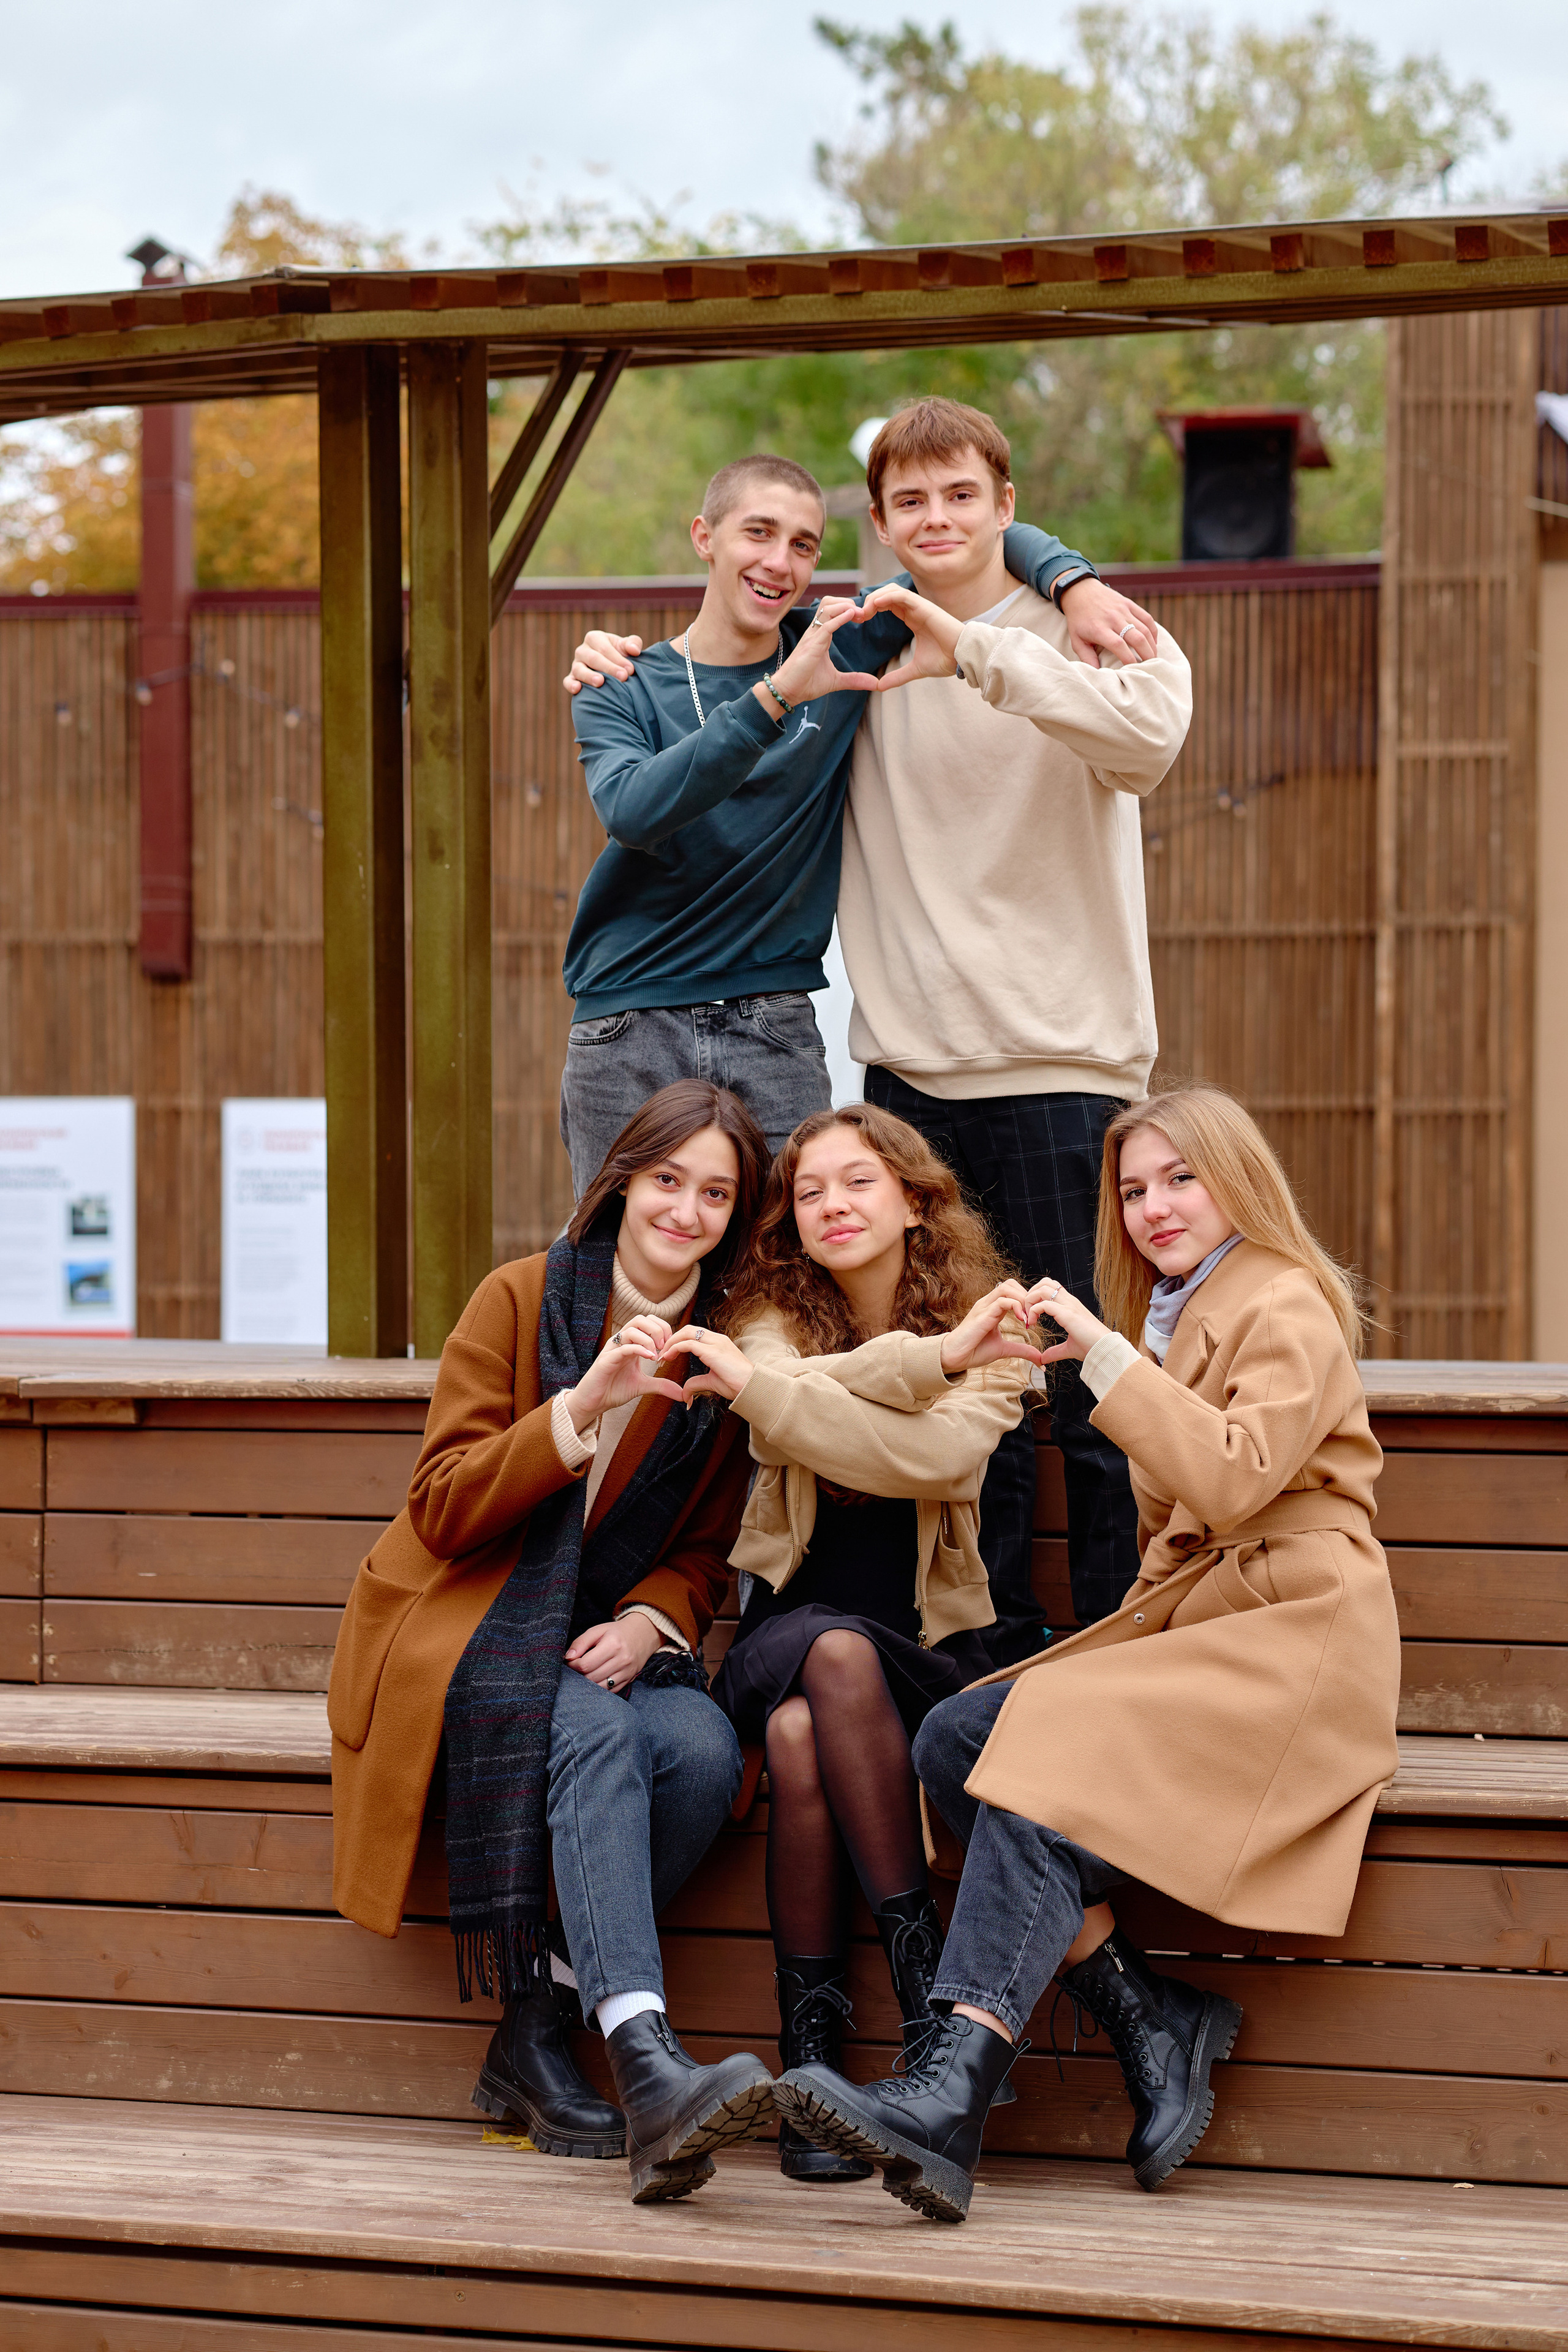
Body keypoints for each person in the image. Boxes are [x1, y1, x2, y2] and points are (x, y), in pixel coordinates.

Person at [567, 402, 1183, 1666]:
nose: (937, 520)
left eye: (962, 497)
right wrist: (621, 662)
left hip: (1061, 1062)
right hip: (901, 1068)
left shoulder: (1082, 633)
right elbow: (682, 738)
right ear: (880, 526)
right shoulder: (841, 648)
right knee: (919, 1365)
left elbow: (1146, 742)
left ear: (1005, 506)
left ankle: (1122, 1656)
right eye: (908, 503)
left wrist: (1048, 585)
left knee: (1074, 1381)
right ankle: (973, 1647)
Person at [775, 1083, 1402, 2222]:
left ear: (1238, 1183)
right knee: (961, 1734)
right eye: (1132, 1189)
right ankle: (1144, 2013)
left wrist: (1108, 1361)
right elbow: (1178, 1539)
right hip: (1218, 1625)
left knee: (1030, 1748)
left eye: (1181, 1179)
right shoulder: (1173, 1312)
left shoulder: (1288, 1300)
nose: (1154, 1207)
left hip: (1301, 1637)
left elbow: (1231, 1479)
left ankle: (953, 2092)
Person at [328, 1080, 782, 2206]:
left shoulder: (721, 1360)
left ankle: (535, 2026)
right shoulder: (520, 1298)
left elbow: (709, 1546)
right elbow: (441, 1506)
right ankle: (645, 2060)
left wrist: (651, 1618)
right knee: (593, 1741)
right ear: (624, 1176)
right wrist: (580, 1408)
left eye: (716, 1194)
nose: (686, 1211)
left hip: (605, 1634)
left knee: (702, 1754)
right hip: (471, 1612)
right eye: (669, 1180)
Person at [558, 449, 1156, 1190]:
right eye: (758, 533)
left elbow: (962, 551)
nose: (779, 562)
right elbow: (635, 812)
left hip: (770, 1021)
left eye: (803, 545)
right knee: (619, 1266)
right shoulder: (618, 681)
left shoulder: (837, 644)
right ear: (704, 536)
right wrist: (776, 697)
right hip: (628, 1020)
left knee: (787, 1277)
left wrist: (1074, 580)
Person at [661, 1104, 1047, 2182]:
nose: (831, 1206)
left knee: (799, 1736)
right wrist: (930, 1365)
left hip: (932, 1663)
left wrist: (781, 1400)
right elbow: (772, 1395)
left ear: (917, 1198)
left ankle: (812, 2053)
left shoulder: (994, 1321)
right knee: (825, 1661)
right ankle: (926, 2011)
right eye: (811, 1189)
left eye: (858, 1184)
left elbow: (940, 1463)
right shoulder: (768, 1314)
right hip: (786, 1634)